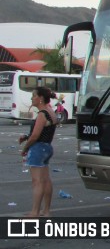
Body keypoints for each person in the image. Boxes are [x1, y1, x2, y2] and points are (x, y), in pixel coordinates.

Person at [18, 86, 58, 217]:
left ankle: (34, 212)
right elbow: (44, 132)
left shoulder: (42, 114)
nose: (31, 98)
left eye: (33, 95)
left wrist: (25, 148)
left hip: (38, 148)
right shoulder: (50, 111)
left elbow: (35, 136)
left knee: (37, 181)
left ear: (40, 98)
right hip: (47, 147)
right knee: (46, 180)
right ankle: (46, 211)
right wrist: (26, 136)